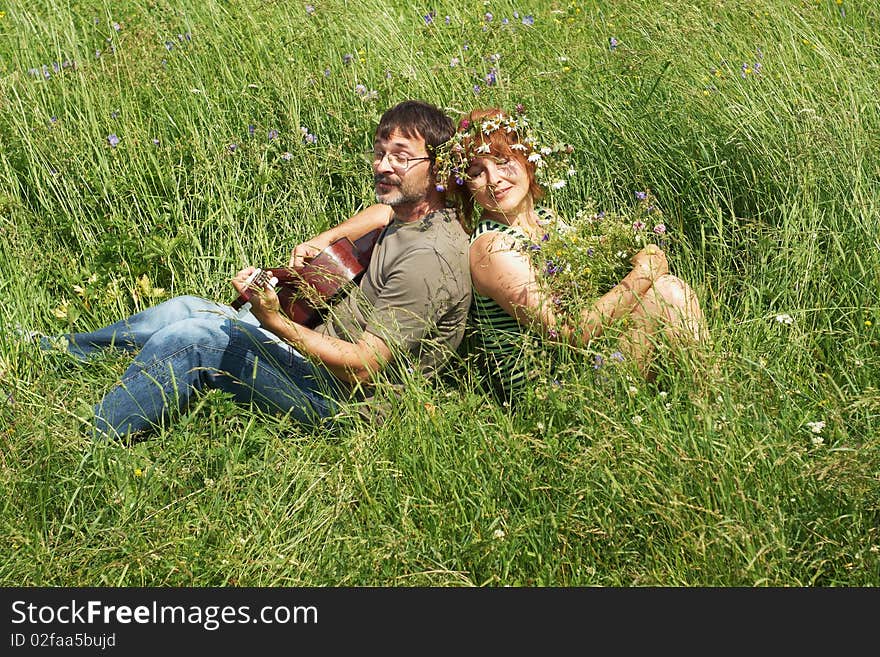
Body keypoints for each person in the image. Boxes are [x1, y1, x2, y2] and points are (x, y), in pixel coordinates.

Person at [44, 100, 471, 439]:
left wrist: (275, 321)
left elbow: (362, 367)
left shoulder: (427, 260)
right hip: (321, 350)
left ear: (438, 169)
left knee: (196, 338)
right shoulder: (417, 213)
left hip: (345, 402)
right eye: (379, 153)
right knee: (182, 308)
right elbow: (381, 213)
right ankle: (58, 350)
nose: (382, 166)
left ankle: (90, 442)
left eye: (400, 156)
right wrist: (324, 241)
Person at [437, 107, 705, 399]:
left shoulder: (546, 219)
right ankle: (711, 398)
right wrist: (642, 273)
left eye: (503, 162)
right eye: (477, 172)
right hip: (552, 392)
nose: (494, 179)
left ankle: (702, 399)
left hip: (584, 361)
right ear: (467, 185)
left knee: (665, 292)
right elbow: (567, 333)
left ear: (527, 159)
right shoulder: (493, 248)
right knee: (667, 292)